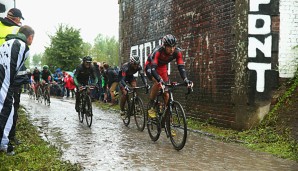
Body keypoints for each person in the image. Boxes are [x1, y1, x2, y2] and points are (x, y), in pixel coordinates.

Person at [0, 25, 35, 155]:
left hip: (2, 76)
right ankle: (3, 144)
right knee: (7, 109)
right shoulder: (23, 47)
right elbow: (15, 70)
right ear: (30, 37)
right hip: (5, 80)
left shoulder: (7, 42)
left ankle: (3, 142)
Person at [145, 34, 193, 118]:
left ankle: (168, 116)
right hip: (151, 66)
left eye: (174, 46)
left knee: (166, 93)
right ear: (164, 46)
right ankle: (151, 105)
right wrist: (160, 80)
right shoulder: (158, 51)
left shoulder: (177, 52)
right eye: (169, 47)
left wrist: (186, 79)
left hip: (162, 67)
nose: (172, 49)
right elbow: (153, 69)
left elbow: (181, 67)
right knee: (157, 83)